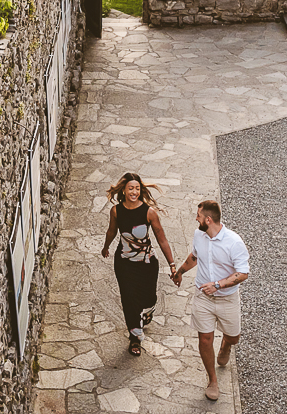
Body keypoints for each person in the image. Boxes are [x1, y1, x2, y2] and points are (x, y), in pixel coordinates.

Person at [170, 199, 250, 402]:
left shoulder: (234, 242)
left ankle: (225, 345)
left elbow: (243, 273)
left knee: (234, 337)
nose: (196, 219)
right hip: (203, 297)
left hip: (227, 298)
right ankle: (212, 380)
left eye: (198, 216)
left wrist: (218, 284)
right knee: (205, 339)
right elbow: (194, 256)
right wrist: (180, 272)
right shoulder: (199, 235)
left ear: (207, 219)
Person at [100, 172, 176, 356]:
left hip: (147, 263)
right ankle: (135, 336)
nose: (134, 191)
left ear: (140, 190)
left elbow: (162, 239)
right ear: (124, 191)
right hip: (124, 263)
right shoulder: (116, 211)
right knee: (128, 298)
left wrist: (172, 264)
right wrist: (106, 246)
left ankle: (148, 310)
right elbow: (112, 231)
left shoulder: (149, 212)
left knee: (148, 297)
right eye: (130, 188)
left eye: (137, 188)